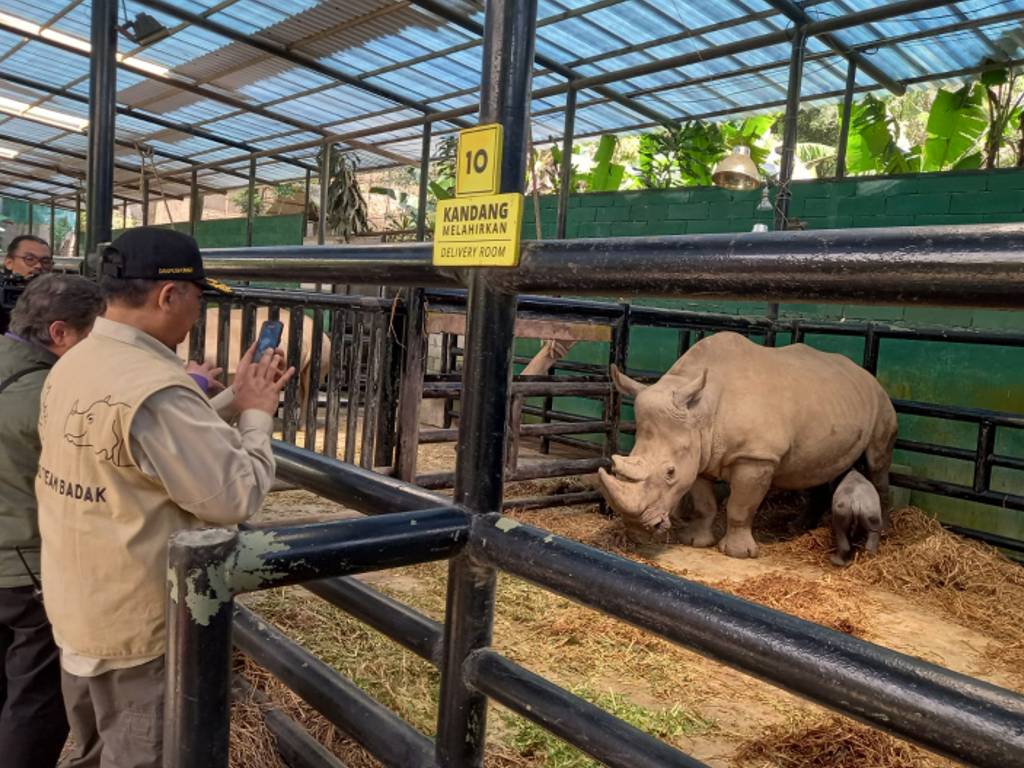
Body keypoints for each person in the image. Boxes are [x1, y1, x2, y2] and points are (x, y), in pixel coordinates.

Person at [36, 227, 295, 768]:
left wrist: (228, 397)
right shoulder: (154, 387)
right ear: (169, 296)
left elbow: (149, 447)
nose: (196, 314)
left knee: (91, 750)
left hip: (80, 605)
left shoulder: (77, 362)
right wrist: (256, 413)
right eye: (197, 299)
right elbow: (235, 496)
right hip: (137, 627)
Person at [0, 274, 104, 767]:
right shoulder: (53, 395)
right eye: (93, 336)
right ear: (60, 333)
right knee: (36, 701)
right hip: (27, 568)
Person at [1, 235, 53, 334]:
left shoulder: (58, 296)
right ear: (9, 262)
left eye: (45, 261)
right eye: (29, 259)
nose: (38, 266)